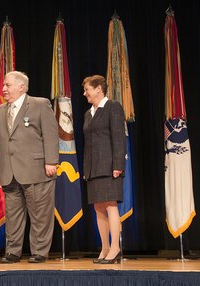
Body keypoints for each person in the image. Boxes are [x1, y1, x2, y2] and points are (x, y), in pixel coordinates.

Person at [0, 71, 59, 263]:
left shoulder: (40, 105)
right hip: (9, 172)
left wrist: (51, 161)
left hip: (37, 169)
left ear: (21, 87)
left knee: (40, 215)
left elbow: (50, 134)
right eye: (4, 85)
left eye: (8, 85)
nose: (3, 89)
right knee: (13, 216)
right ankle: (13, 252)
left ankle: (40, 252)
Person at [82, 75, 126, 264]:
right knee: (98, 208)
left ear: (98, 88)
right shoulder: (88, 113)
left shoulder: (113, 107)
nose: (85, 93)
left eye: (87, 90)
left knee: (110, 205)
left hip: (109, 166)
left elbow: (119, 138)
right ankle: (105, 248)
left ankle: (115, 248)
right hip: (93, 168)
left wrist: (118, 165)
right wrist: (86, 168)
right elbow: (88, 143)